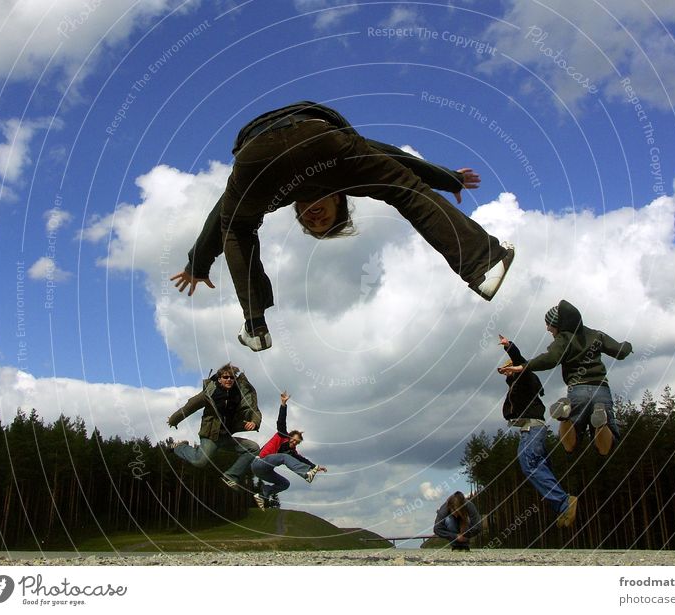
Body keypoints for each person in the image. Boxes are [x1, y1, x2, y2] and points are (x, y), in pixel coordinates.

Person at [171, 101, 515, 352]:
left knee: (236, 225)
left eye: (312, 220)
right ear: (340, 201)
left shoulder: (272, 196)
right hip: (314, 131)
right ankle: (482, 264)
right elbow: (392, 155)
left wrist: (197, 265)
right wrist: (447, 177)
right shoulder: (348, 174)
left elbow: (220, 217)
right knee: (403, 185)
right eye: (321, 219)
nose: (315, 215)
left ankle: (255, 326)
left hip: (256, 150)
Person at [500, 300, 633, 456]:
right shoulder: (597, 334)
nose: (548, 328)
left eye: (550, 325)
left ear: (559, 324)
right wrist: (628, 346)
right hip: (601, 389)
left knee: (571, 446)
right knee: (606, 449)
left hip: (578, 390)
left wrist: (524, 365)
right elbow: (620, 351)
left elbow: (550, 359)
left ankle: (564, 416)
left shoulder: (563, 339)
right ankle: (601, 423)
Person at [498, 335, 577, 528]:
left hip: (532, 428)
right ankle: (563, 507)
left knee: (529, 465)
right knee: (541, 467)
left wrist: (510, 347)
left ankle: (564, 502)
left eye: (508, 370)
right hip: (533, 429)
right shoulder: (520, 383)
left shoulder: (524, 377)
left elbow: (521, 363)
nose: (506, 374)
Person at [166, 363, 262, 491]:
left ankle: (231, 476)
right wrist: (174, 419)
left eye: (232, 378)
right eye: (226, 377)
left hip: (226, 436)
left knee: (253, 448)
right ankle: (180, 447)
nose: (229, 380)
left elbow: (253, 410)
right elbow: (190, 406)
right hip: (211, 436)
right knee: (200, 462)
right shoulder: (210, 393)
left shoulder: (238, 395)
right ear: (219, 379)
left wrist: (254, 422)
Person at [250, 391, 326, 510]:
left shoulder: (292, 452)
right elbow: (281, 421)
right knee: (283, 457)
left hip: (265, 472)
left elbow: (302, 459)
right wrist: (283, 405)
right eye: (293, 440)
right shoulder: (282, 435)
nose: (294, 442)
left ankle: (264, 493)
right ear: (290, 437)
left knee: (285, 483)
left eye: (297, 442)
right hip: (259, 463)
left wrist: (315, 467)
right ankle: (305, 475)